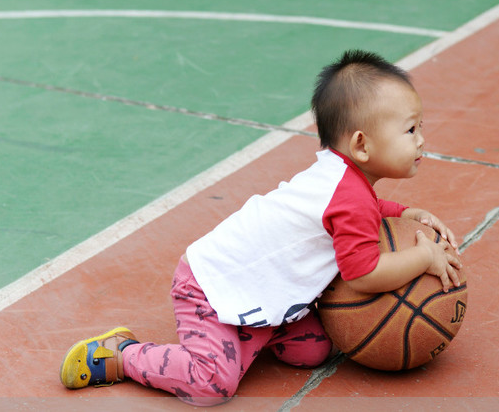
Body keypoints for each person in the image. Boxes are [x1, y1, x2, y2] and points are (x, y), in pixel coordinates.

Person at [59, 50, 462, 406]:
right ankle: (121, 354)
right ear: (361, 145)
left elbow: (364, 210)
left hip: (251, 282)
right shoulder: (347, 195)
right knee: (211, 386)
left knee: (313, 351)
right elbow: (365, 273)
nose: (422, 140)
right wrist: (423, 255)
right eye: (411, 130)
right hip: (209, 287)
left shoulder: (340, 177)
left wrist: (404, 213)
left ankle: (255, 330)